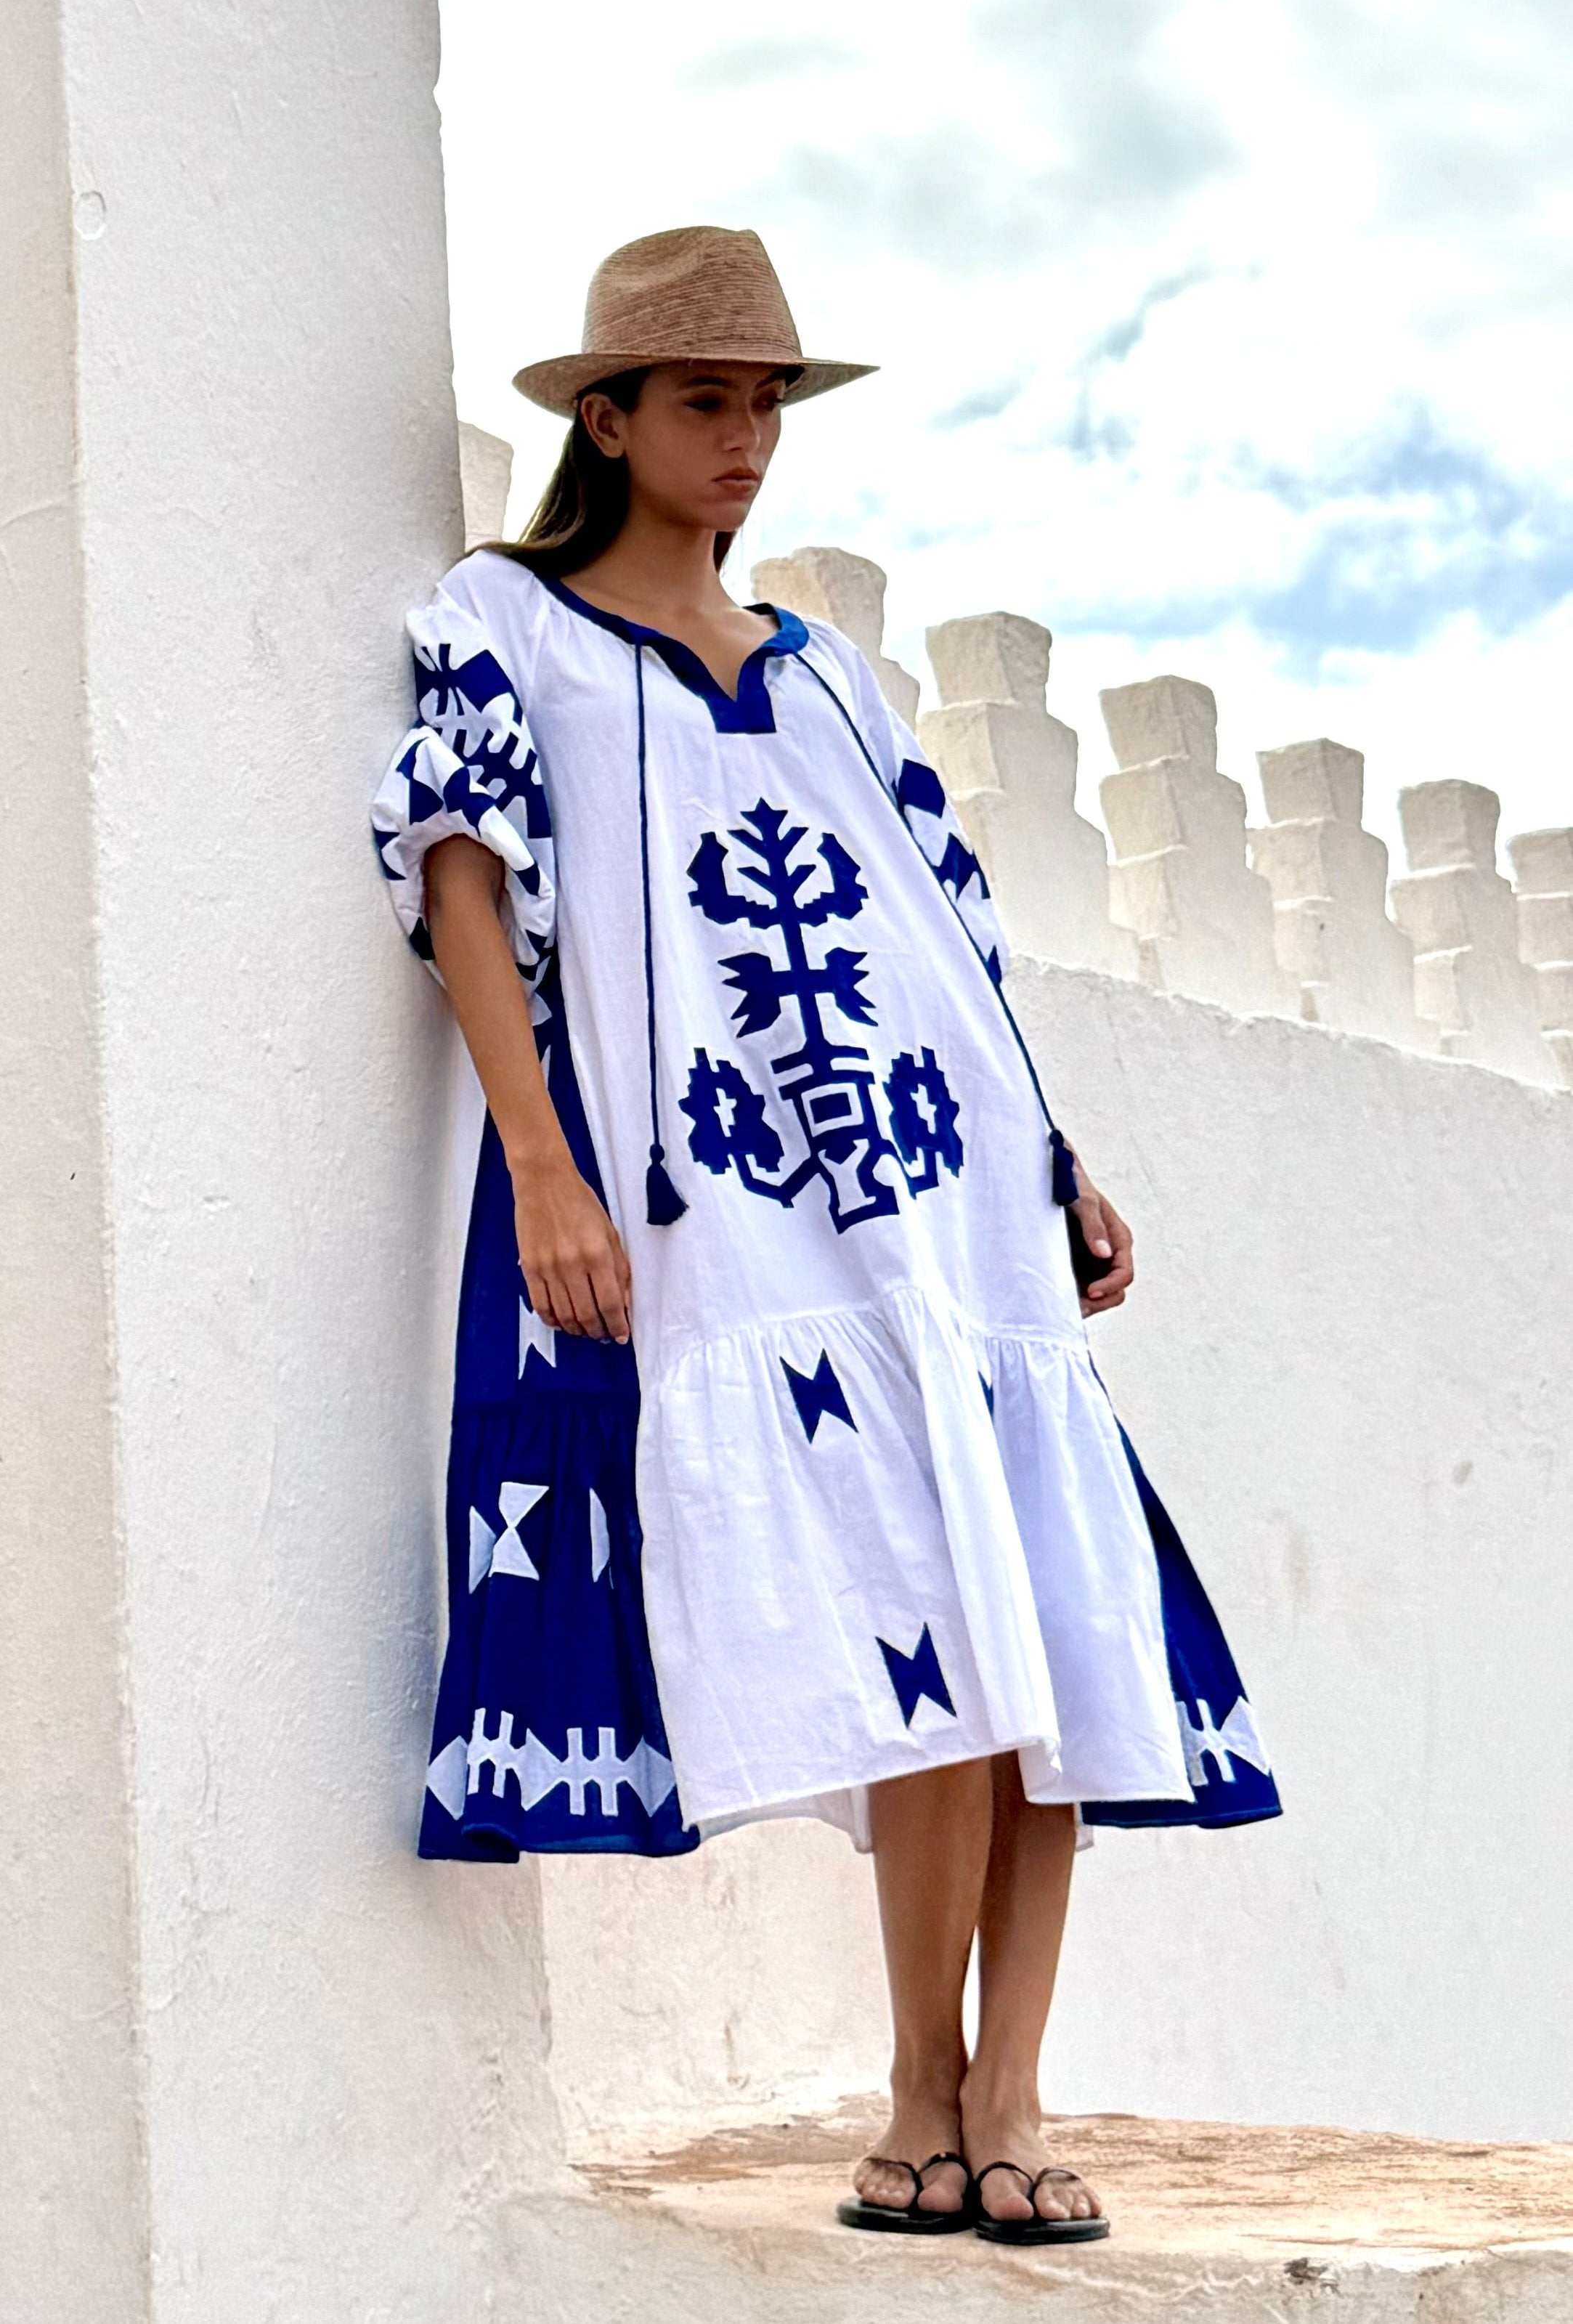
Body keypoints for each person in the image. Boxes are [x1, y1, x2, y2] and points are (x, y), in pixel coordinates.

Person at [370, 227, 1280, 2246]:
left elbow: (937, 932)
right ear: (601, 416)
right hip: (746, 1216)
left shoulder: (823, 674)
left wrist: (1054, 1153)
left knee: (1030, 1605)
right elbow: (461, 876)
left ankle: (1010, 2088)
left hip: (952, 1189)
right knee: (921, 1625)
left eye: (767, 403)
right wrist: (537, 1159)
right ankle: (915, 2079)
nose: (746, 441)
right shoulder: (505, 624)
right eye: (704, 400)